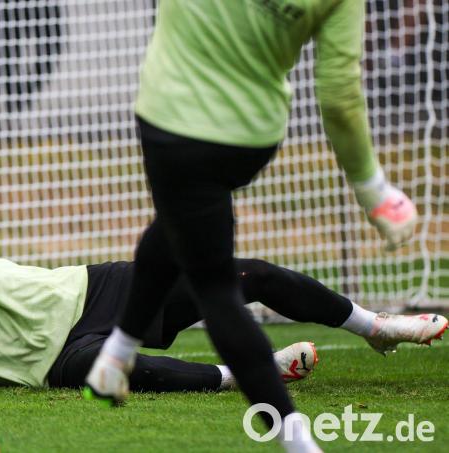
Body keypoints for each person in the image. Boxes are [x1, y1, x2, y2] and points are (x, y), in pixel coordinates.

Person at [0, 178, 445, 397]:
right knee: (113, 371)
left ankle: (375, 325)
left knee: (242, 273)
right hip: (47, 361)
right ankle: (244, 374)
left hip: (83, 292)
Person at [82, 2, 421, 452]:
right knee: (180, 221)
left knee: (215, 287)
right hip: (249, 141)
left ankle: (299, 444)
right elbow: (340, 96)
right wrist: (373, 189)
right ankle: (116, 357)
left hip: (174, 123)